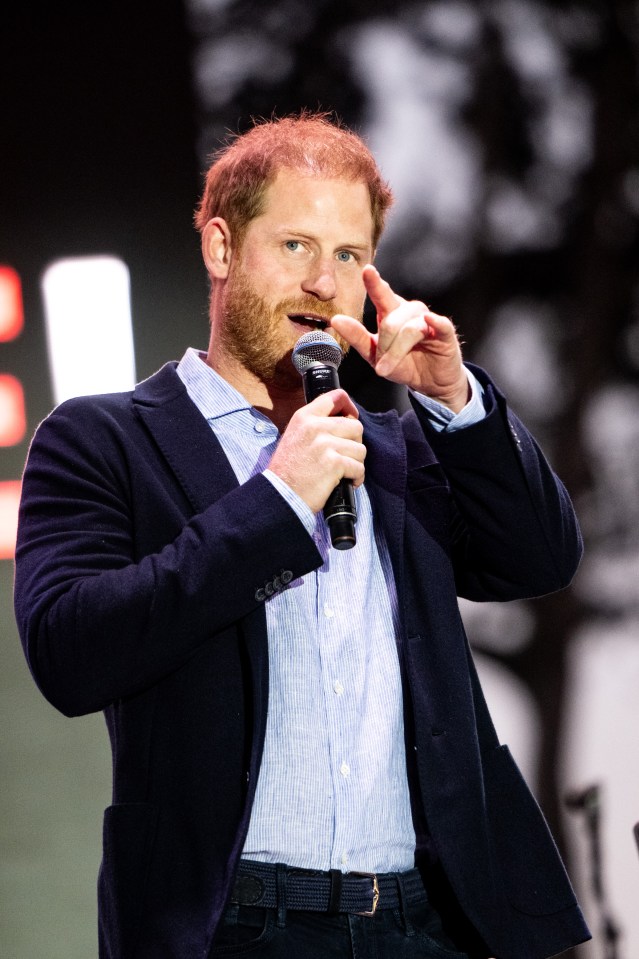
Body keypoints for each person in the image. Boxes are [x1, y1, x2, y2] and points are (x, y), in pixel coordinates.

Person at [14, 112, 590, 959]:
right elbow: (70, 652)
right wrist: (277, 502)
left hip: (427, 923)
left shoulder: (393, 448)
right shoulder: (103, 439)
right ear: (220, 248)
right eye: (293, 246)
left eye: (349, 256)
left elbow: (537, 556)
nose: (324, 283)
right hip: (232, 925)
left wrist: (452, 398)